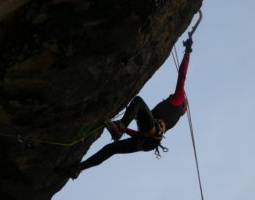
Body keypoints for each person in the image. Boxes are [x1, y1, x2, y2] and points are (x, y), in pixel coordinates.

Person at [66, 38, 193, 179]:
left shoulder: (179, 99)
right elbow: (144, 133)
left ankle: (119, 128)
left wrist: (188, 50)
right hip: (149, 142)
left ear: (183, 104)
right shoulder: (172, 119)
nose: (168, 95)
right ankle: (77, 169)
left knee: (138, 101)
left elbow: (182, 76)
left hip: (151, 135)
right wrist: (126, 129)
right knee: (111, 149)